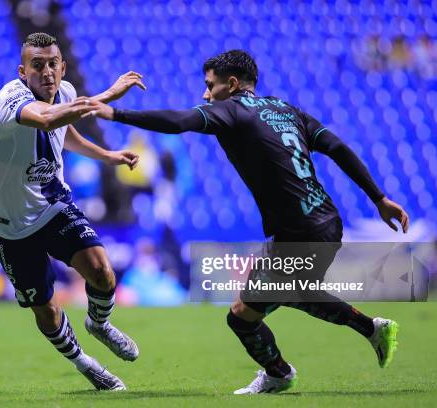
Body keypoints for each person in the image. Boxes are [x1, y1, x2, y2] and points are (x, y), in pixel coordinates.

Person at [88, 49, 410, 394]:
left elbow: (179, 122)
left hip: (300, 230)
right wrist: (379, 198)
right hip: (322, 220)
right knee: (257, 309)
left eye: (209, 86)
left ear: (231, 84)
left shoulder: (232, 110)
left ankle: (320, 354)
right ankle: (299, 364)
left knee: (269, 303)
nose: (205, 95)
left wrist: (114, 113)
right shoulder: (287, 110)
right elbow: (337, 147)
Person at [0, 32, 146, 391]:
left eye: (52, 64)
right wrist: (105, 96)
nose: (47, 72)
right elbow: (45, 120)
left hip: (52, 205)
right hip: (9, 224)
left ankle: (99, 324)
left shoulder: (67, 92)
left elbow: (63, 131)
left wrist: (108, 157)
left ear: (62, 66)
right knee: (47, 310)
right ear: (22, 71)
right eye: (37, 65)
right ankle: (84, 363)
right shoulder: (10, 101)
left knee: (102, 271)